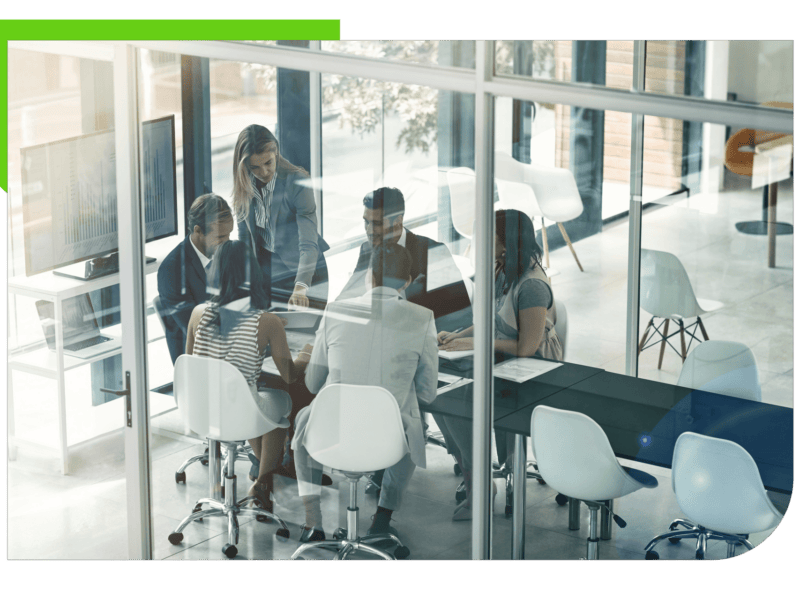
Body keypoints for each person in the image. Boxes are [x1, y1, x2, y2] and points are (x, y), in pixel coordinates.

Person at [292, 242, 439, 544]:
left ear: (369, 275)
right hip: (386, 443)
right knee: (412, 418)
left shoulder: (335, 312)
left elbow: (312, 384)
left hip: (332, 435)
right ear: (408, 281)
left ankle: (312, 521)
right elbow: (427, 394)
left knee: (305, 419)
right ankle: (382, 520)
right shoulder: (422, 318)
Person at [436, 209, 563, 520]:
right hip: (500, 360)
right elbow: (488, 320)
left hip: (532, 371)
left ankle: (479, 482)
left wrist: (475, 343)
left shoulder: (532, 286)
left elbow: (526, 347)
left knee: (460, 399)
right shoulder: (501, 269)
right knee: (441, 396)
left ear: (506, 244)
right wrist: (457, 336)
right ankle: (474, 472)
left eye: (487, 237)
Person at [185, 240, 314, 515]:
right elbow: (290, 375)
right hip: (240, 411)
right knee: (279, 408)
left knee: (258, 405)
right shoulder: (266, 321)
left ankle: (262, 479)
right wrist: (305, 354)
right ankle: (263, 483)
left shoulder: (197, 314)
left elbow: (189, 368)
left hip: (203, 412)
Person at [337, 187, 471, 328]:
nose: (369, 230)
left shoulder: (434, 251)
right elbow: (345, 299)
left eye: (377, 223)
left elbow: (462, 314)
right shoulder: (367, 248)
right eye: (366, 222)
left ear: (398, 221)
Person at [232, 124, 330, 310]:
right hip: (269, 272)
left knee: (307, 333)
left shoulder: (297, 182)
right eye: (255, 167)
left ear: (276, 151)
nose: (263, 172)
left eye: (268, 163)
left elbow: (308, 242)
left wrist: (301, 287)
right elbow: (245, 240)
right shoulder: (244, 186)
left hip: (305, 272)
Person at [157, 194, 233, 364]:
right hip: (201, 360)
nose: (227, 242)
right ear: (198, 231)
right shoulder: (172, 270)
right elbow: (198, 330)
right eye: (220, 237)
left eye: (229, 235)